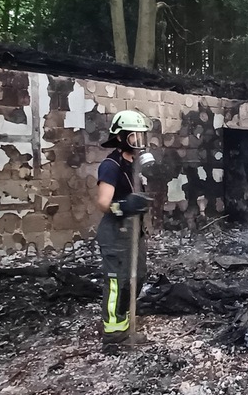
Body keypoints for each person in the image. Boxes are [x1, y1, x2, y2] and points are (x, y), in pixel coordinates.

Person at [95, 110, 153, 349]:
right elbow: (102, 202)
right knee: (116, 281)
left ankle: (124, 321)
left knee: (137, 276)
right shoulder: (111, 165)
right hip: (115, 231)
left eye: (141, 137)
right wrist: (124, 206)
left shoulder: (135, 164)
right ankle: (113, 332)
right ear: (120, 137)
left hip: (133, 231)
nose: (138, 142)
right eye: (133, 137)